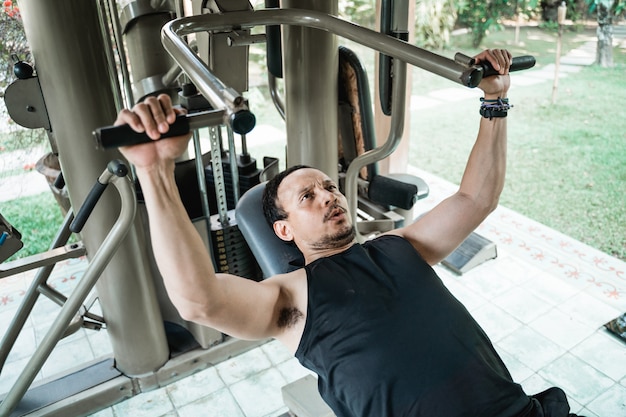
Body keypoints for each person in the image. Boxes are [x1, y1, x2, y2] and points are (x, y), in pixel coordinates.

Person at [116, 49, 580, 417]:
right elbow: (200, 301)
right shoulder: (289, 300)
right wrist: (155, 172)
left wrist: (494, 100)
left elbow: (475, 200)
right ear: (282, 229)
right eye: (307, 197)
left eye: (329, 187)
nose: (329, 196)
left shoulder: (402, 247)